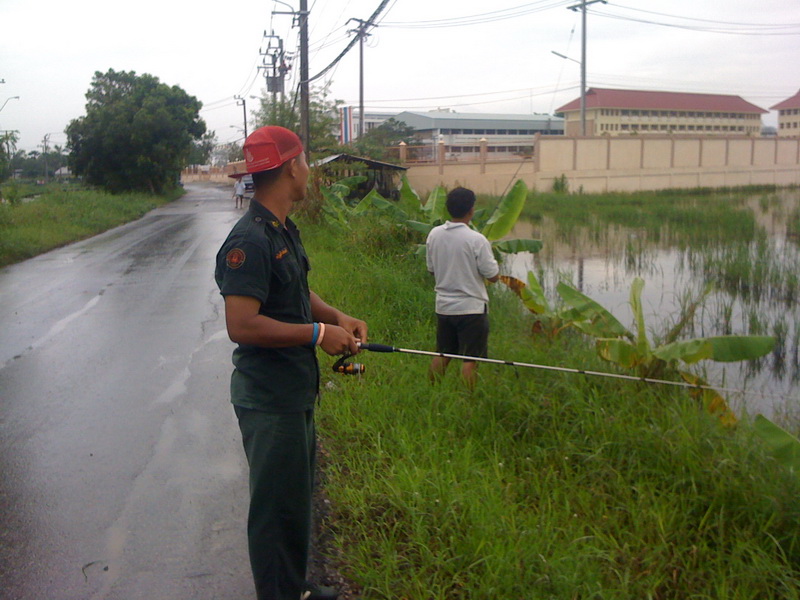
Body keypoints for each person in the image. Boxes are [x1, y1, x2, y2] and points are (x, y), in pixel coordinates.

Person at [215, 125, 367, 600]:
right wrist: (320, 334)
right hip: (269, 399)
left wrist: (334, 315)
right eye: (304, 162)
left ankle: (293, 588)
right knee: (275, 510)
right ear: (289, 168)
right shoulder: (249, 241)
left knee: (295, 502)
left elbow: (296, 290)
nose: (308, 171)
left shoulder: (281, 229)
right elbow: (242, 324)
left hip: (295, 391)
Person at [425, 187, 500, 388]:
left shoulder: (434, 234)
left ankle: (432, 390)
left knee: (443, 354)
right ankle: (469, 401)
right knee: (470, 360)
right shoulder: (477, 239)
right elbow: (493, 276)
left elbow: (431, 270)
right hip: (472, 310)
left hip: (444, 307)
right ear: (471, 210)